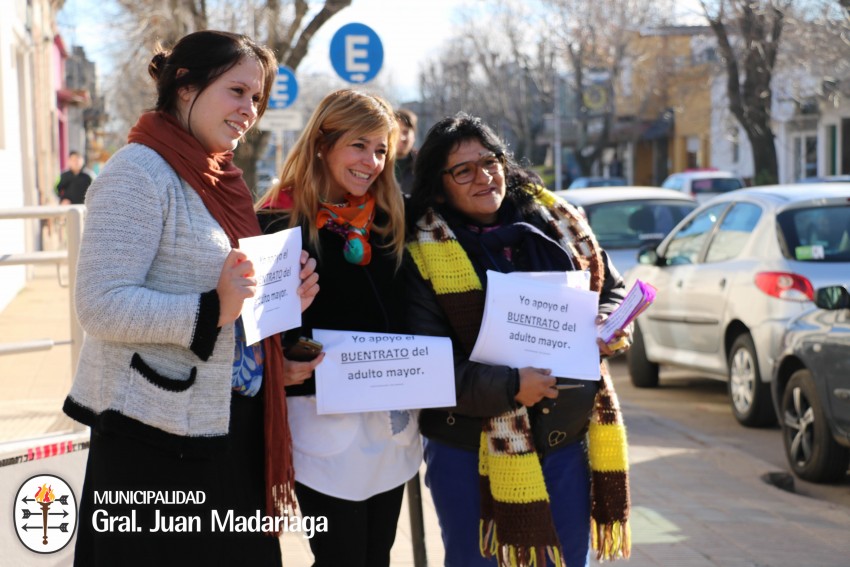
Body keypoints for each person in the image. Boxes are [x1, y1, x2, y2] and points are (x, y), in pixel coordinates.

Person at [62, 30, 319, 566]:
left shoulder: (220, 177)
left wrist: (276, 299)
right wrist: (213, 308)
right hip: (155, 444)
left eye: (257, 97)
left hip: (223, 430)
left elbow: (230, 294)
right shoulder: (137, 171)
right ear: (185, 85)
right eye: (237, 91)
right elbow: (100, 303)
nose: (250, 109)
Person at [405, 113, 632, 567]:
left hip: (566, 441)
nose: (483, 177)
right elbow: (426, 369)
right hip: (469, 450)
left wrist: (609, 322)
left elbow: (611, 289)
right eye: (463, 170)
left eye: (489, 162)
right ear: (438, 185)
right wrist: (511, 387)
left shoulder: (558, 224)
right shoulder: (422, 252)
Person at [256, 89, 421, 567]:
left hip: (390, 426)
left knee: (378, 556)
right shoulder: (275, 221)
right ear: (323, 144)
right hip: (320, 431)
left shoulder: (390, 221)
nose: (371, 161)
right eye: (359, 145)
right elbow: (260, 333)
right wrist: (281, 365)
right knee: (341, 558)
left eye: (381, 149)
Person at [394, 108, 417, 196]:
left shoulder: (423, 165)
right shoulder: (378, 164)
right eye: (396, 132)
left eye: (405, 132)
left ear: (414, 135)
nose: (401, 137)